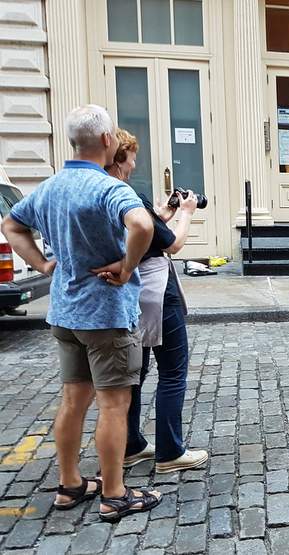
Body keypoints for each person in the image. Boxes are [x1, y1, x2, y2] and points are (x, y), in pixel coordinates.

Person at [1, 105, 162, 521]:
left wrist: (42, 265)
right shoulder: (107, 187)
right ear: (107, 140)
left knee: (73, 401)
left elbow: (11, 226)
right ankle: (114, 493)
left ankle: (70, 483)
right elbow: (143, 226)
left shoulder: (50, 187)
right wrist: (126, 267)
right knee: (114, 405)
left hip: (65, 313)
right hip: (106, 314)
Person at [103, 129, 208, 473]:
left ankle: (131, 445)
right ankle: (170, 452)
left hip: (129, 291)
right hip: (156, 288)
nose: (135, 164)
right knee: (173, 371)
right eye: (132, 158)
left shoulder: (101, 193)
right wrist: (187, 212)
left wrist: (161, 213)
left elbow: (145, 232)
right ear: (120, 159)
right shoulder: (128, 193)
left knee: (136, 371)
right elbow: (172, 244)